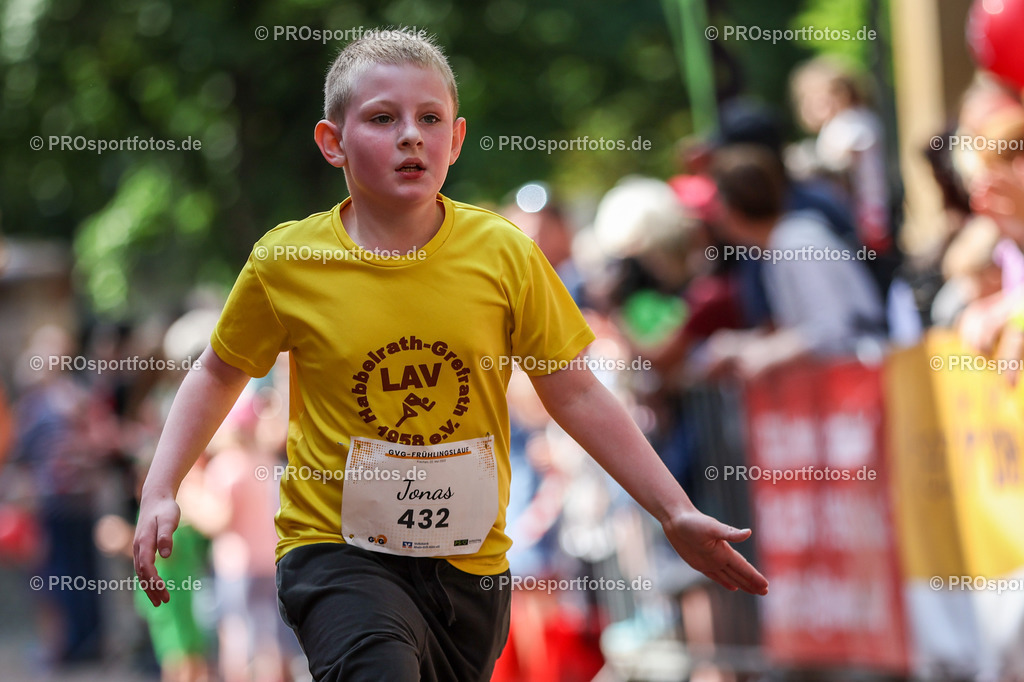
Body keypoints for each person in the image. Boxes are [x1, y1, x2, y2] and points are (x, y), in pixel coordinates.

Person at [133, 29, 768, 682]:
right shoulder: (288, 261)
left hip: (469, 572)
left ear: (455, 139)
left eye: (429, 119)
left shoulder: (504, 254)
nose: (411, 135)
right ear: (333, 142)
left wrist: (673, 509)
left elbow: (574, 392)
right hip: (338, 554)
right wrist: (161, 487)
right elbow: (218, 371)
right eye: (383, 118)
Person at [707, 145, 886, 378]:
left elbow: (833, 329)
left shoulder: (797, 244)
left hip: (863, 381)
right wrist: (743, 345)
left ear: (733, 209)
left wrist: (767, 353)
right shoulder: (780, 245)